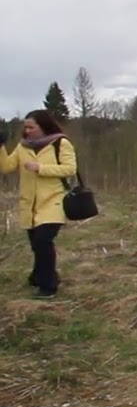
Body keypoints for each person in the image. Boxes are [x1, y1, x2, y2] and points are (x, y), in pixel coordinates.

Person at [0, 110, 79, 298]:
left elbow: (69, 169)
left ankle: (48, 287)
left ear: (43, 126)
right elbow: (6, 167)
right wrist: (1, 146)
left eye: (31, 127)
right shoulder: (22, 147)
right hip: (30, 204)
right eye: (25, 127)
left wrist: (41, 168)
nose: (27, 131)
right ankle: (40, 276)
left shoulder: (60, 143)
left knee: (43, 241)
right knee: (37, 245)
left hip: (53, 201)